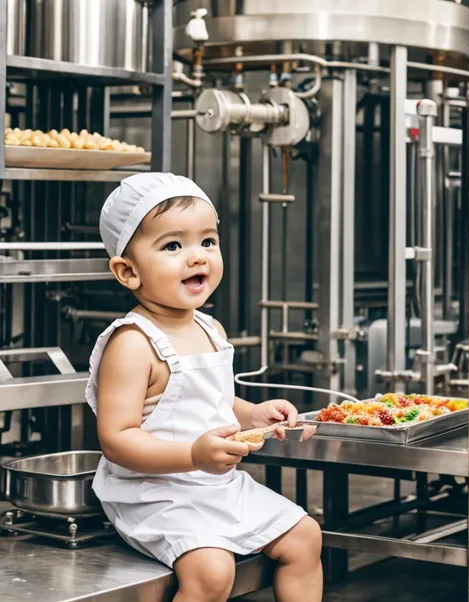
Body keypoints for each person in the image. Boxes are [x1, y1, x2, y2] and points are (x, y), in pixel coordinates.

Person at [85, 172, 322, 602]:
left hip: (214, 485)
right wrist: (192, 455)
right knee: (212, 571)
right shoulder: (132, 343)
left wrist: (252, 415)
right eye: (173, 246)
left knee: (305, 537)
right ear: (128, 271)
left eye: (207, 242)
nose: (197, 258)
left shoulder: (209, 327)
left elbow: (210, 401)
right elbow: (116, 440)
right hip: (153, 492)